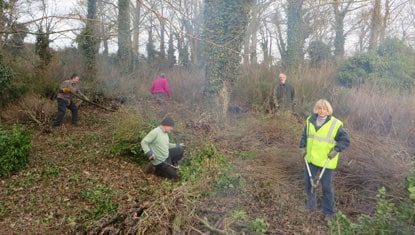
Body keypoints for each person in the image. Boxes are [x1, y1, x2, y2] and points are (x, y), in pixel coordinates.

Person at [299, 99, 350, 221]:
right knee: (309, 184)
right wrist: (302, 147)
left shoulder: (336, 124)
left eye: (325, 109)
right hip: (311, 159)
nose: (322, 111)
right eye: (320, 108)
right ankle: (311, 206)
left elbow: (345, 140)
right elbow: (304, 136)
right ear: (316, 109)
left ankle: (329, 212)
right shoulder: (310, 120)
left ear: (328, 110)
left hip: (327, 161)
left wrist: (336, 149)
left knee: (326, 187)